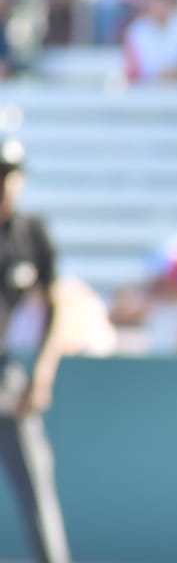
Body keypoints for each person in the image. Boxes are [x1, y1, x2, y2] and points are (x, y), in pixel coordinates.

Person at [0, 139, 72, 562]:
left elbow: (55, 308)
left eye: (11, 175)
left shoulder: (31, 233)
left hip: (6, 376)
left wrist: (43, 375)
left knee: (37, 490)